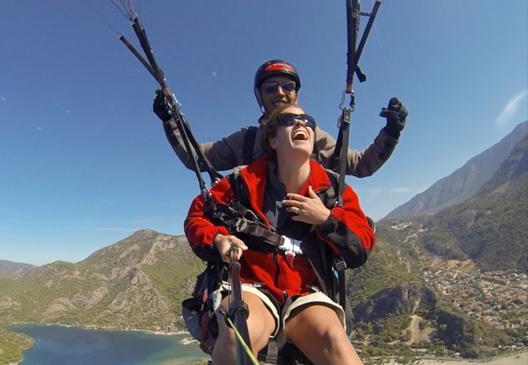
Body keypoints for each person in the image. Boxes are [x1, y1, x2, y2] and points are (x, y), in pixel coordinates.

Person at [184, 103, 375, 365]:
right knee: (238, 332)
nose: (301, 125)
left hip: (305, 292)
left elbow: (361, 244)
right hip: (254, 286)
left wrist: (326, 220)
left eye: (307, 121)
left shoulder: (332, 191)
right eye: (289, 121)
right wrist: (218, 239)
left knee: (334, 339)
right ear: (272, 139)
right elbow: (198, 216)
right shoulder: (243, 184)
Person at [154, 59, 408, 176]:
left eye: (287, 86)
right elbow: (197, 159)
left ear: (296, 94)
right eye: (270, 87)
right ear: (259, 96)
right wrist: (171, 120)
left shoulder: (311, 137)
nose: (279, 92)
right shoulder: (246, 141)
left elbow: (359, 164)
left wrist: (391, 133)